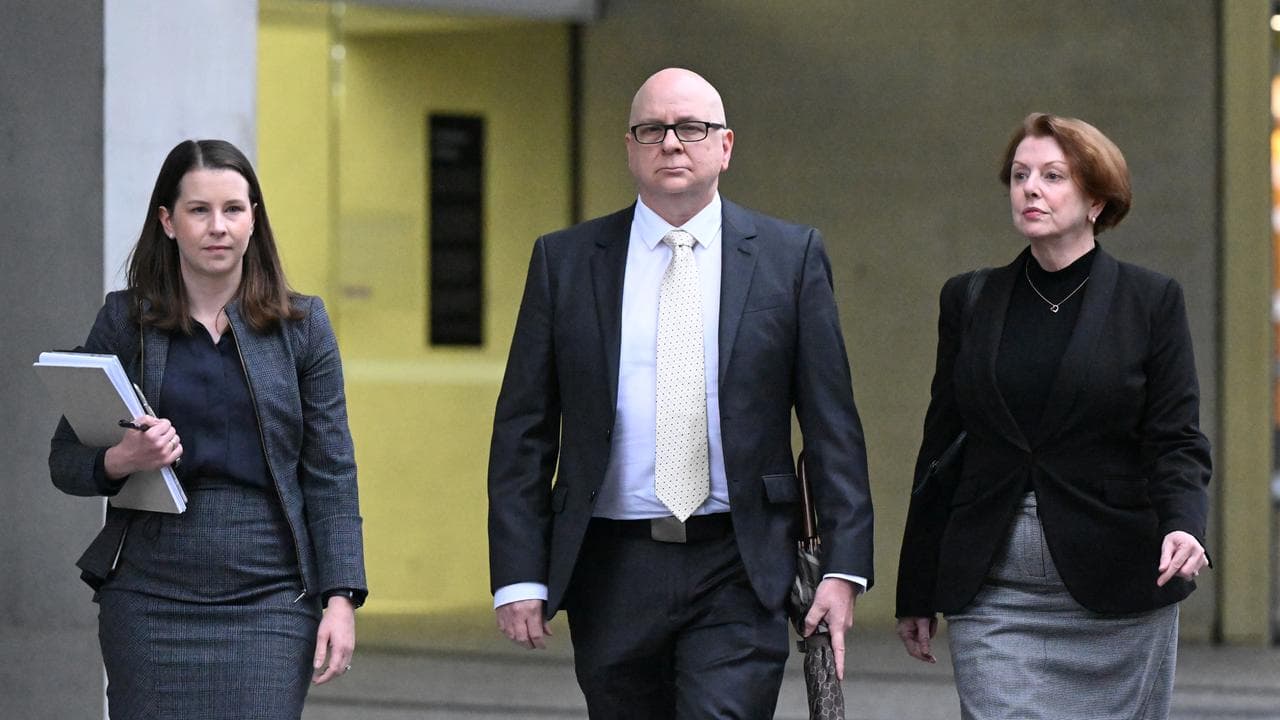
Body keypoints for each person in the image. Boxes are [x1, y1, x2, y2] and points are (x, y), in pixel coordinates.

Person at [486, 67, 874, 719]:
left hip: (739, 558)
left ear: (724, 146)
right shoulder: (567, 261)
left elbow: (833, 424)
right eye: (652, 129)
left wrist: (843, 565)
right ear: (630, 146)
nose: (671, 142)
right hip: (611, 563)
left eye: (690, 128)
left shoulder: (790, 257)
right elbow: (523, 426)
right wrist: (519, 571)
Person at [895, 113, 1211, 720]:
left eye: (1052, 176)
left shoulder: (1151, 301)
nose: (1030, 189)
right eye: (1019, 176)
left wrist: (1185, 524)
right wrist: (918, 586)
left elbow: (1175, 438)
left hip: (1118, 582)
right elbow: (941, 448)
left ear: (1096, 199)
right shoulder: (969, 299)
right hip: (993, 586)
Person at [49, 139, 368, 719]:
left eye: (234, 210)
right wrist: (124, 457)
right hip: (148, 590)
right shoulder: (125, 322)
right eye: (199, 210)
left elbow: (331, 474)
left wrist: (340, 597)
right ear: (168, 222)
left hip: (272, 592)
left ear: (254, 220)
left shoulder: (303, 328)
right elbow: (65, 460)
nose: (217, 227)